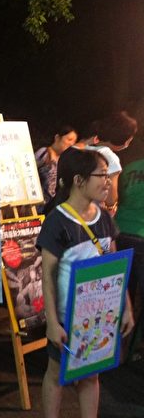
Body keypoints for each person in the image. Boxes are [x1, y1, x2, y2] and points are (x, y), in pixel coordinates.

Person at [36, 148, 134, 418]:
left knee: (91, 375)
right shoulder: (57, 221)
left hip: (98, 315)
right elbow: (48, 276)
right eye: (101, 175)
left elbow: (114, 266)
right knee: (56, 374)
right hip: (67, 318)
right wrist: (52, 323)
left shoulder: (104, 217)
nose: (108, 181)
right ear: (79, 180)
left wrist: (125, 307)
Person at [114, 128, 144, 356]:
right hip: (141, 235)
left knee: (123, 291)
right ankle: (135, 347)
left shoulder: (129, 167)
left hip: (121, 233)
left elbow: (117, 198)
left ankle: (116, 346)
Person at [84, 111, 137, 215]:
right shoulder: (110, 158)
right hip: (92, 214)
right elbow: (110, 199)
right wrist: (112, 207)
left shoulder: (83, 148)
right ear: (124, 139)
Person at [34, 125, 77, 212]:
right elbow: (29, 173)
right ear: (57, 138)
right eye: (69, 139)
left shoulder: (63, 160)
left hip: (50, 208)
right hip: (35, 207)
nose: (71, 144)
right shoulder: (44, 153)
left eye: (74, 142)